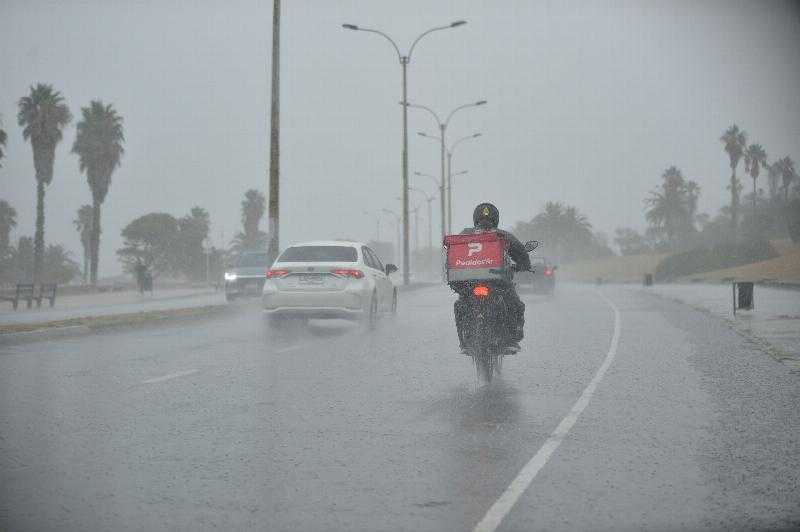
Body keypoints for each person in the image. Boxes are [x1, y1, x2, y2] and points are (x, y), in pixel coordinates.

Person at [452, 202, 531, 351]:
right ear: (496, 218)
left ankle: (463, 340)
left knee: (461, 304)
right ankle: (511, 339)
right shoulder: (502, 235)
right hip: (498, 283)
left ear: (475, 218)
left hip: (470, 283)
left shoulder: (465, 234)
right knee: (516, 305)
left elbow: (453, 254)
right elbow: (521, 252)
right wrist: (524, 265)